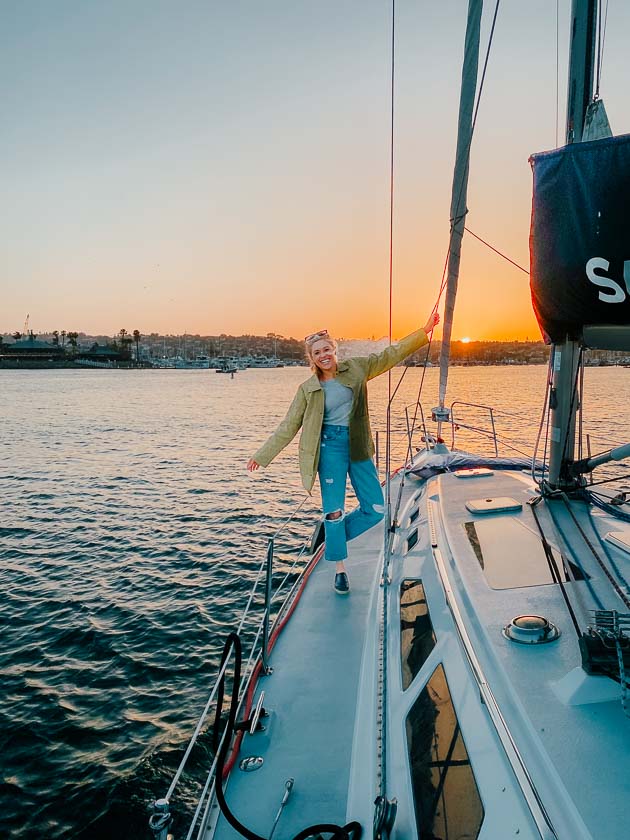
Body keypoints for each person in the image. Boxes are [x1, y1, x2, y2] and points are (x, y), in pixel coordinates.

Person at [247, 311, 440, 595]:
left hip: (358, 445)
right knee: (334, 512)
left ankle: (332, 538)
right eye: (317, 352)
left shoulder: (357, 368)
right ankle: (339, 567)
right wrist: (262, 456)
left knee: (375, 510)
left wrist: (423, 332)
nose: (323, 355)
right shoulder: (308, 389)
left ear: (334, 349)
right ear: (311, 359)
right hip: (329, 449)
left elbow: (390, 355)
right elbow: (288, 426)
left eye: (326, 349)